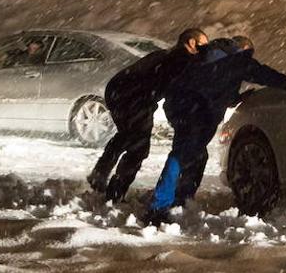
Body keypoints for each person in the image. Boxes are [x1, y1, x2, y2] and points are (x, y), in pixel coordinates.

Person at [146, 35, 286, 224]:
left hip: (179, 105)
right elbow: (264, 74)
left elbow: (209, 83)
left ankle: (182, 198)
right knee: (182, 155)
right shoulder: (238, 60)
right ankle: (160, 205)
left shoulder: (210, 54)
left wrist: (233, 98)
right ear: (245, 50)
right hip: (199, 110)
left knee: (194, 154)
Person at [88, 27, 208, 201]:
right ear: (191, 43)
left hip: (118, 92)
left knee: (127, 135)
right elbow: (173, 91)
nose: (205, 51)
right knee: (139, 149)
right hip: (134, 98)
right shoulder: (181, 59)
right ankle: (115, 193)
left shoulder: (167, 55)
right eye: (203, 45)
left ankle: (100, 173)